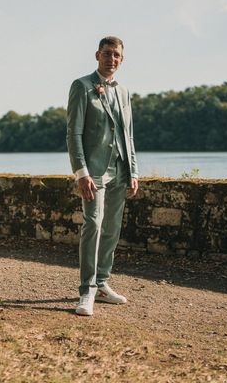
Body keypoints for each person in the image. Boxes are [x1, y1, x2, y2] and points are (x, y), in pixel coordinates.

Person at [66, 36, 139, 316]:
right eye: (107, 54)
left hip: (120, 170)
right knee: (93, 224)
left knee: (111, 228)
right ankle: (87, 291)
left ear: (122, 59)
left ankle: (103, 282)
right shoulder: (82, 87)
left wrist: (133, 171)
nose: (112, 59)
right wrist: (81, 172)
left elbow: (127, 134)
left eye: (117, 55)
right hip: (94, 171)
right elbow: (74, 134)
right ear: (97, 55)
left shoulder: (124, 91)